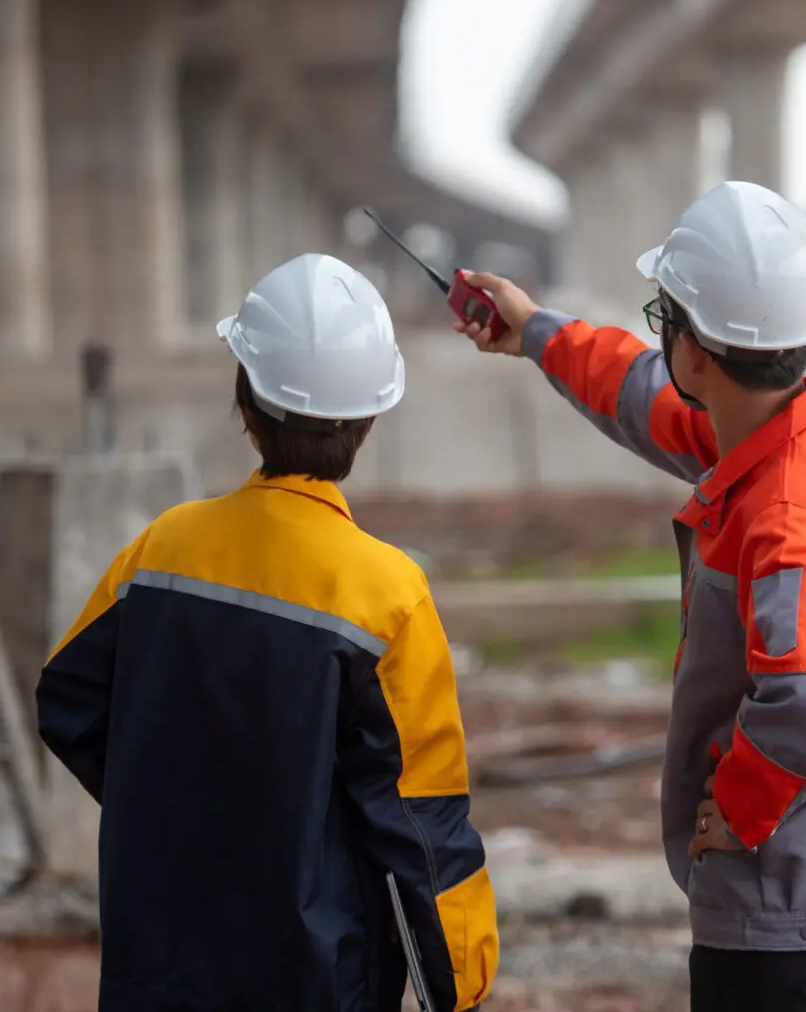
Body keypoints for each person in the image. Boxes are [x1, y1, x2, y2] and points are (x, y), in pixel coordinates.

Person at [455, 181, 806, 1012]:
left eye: (664, 319)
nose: (658, 340)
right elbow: (638, 394)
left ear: (700, 353)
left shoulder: (783, 514)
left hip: (790, 925)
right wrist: (533, 330)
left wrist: (737, 806)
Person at [36, 253, 499, 1012]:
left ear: (244, 405)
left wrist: (169, 815)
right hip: (317, 975)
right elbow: (419, 814)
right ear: (369, 420)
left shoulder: (160, 550)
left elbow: (68, 701)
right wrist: (460, 983)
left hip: (156, 963)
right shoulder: (385, 592)